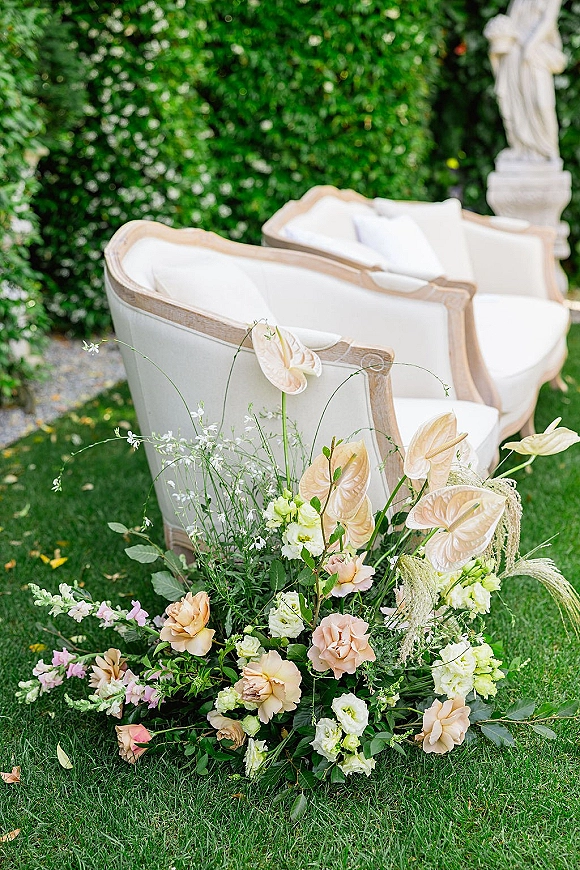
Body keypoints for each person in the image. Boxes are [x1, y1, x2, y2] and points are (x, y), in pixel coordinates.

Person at [484, 0, 566, 161]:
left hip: (537, 53)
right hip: (515, 54)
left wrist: (531, 45)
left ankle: (550, 149)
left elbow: (548, 21)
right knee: (517, 102)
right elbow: (511, 23)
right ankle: (520, 147)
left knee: (542, 103)